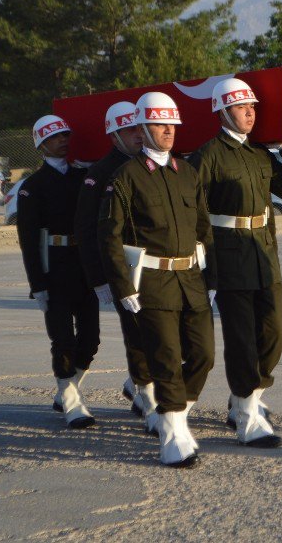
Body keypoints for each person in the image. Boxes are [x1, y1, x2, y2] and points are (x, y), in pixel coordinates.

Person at [188, 78, 282, 448]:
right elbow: (192, 205)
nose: (250, 113)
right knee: (241, 339)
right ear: (223, 112)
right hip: (228, 255)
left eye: (252, 107)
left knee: (272, 333)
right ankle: (247, 415)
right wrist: (201, 256)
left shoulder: (259, 153)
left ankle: (245, 397)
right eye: (242, 108)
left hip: (264, 253)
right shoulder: (208, 155)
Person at [98, 92, 215, 468]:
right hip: (152, 283)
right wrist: (124, 287)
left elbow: (203, 227)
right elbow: (110, 236)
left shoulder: (188, 173)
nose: (168, 131)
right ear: (143, 129)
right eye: (160, 125)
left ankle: (174, 415)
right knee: (166, 358)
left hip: (191, 281)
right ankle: (172, 435)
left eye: (172, 125)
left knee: (203, 356)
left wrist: (209, 277)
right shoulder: (126, 177)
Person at [73, 101, 157, 431]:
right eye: (128, 130)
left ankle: (135, 385)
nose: (137, 135)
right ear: (113, 135)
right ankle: (148, 400)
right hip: (123, 269)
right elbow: (86, 230)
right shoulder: (99, 173)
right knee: (138, 336)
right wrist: (100, 279)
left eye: (139, 128)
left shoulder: (152, 165)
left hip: (158, 267)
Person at [17, 115, 99, 429]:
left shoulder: (83, 176)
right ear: (41, 145)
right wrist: (37, 283)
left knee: (90, 339)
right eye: (55, 138)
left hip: (84, 265)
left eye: (65, 135)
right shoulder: (33, 186)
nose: (63, 140)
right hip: (55, 268)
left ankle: (67, 388)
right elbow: (28, 239)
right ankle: (72, 400)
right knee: (63, 339)